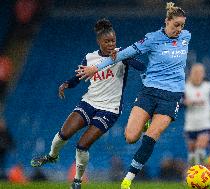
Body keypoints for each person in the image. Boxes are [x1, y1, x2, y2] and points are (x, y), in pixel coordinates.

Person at [76, 2, 191, 189]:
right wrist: (94, 68)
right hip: (149, 92)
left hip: (172, 95)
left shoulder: (186, 36)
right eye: (176, 25)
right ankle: (145, 122)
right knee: (130, 137)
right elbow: (122, 54)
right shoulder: (152, 39)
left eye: (182, 26)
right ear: (166, 21)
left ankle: (128, 179)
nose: (179, 29)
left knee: (152, 135)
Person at [30, 19, 145, 189]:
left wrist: (121, 57)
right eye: (107, 41)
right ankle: (52, 156)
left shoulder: (122, 54)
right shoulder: (90, 57)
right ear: (99, 41)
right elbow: (79, 76)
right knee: (64, 133)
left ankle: (77, 181)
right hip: (89, 103)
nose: (111, 44)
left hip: (109, 109)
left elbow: (141, 66)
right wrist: (67, 84)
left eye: (113, 40)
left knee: (82, 145)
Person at [183, 63, 210, 165]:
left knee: (200, 146)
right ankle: (192, 174)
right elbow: (179, 102)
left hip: (206, 123)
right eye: (195, 72)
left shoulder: (208, 86)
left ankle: (202, 172)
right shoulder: (185, 87)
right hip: (191, 124)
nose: (198, 75)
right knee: (192, 150)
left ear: (203, 74)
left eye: (200, 72)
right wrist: (185, 102)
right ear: (191, 73)